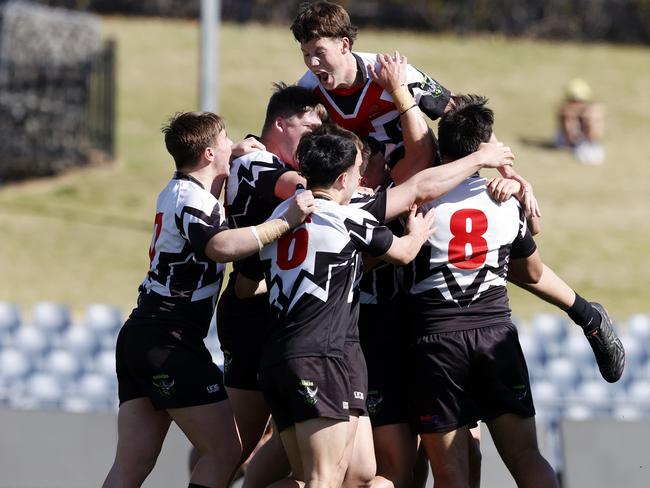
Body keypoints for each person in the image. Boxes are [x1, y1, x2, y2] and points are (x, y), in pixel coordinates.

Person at [102, 111, 315, 488]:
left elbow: (212, 174)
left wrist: (233, 151)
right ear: (206, 153)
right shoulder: (192, 198)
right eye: (224, 139)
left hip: (140, 333)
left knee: (132, 465)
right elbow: (218, 246)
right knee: (225, 451)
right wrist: (285, 222)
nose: (231, 144)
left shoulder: (177, 189)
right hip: (171, 338)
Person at [252, 128, 436, 488]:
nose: (360, 180)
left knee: (356, 473)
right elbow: (402, 254)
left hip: (279, 356)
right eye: (356, 173)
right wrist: (418, 231)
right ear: (342, 178)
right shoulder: (347, 215)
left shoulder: (281, 213)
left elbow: (246, 281)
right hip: (322, 356)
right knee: (325, 478)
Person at [405, 94, 559, 488]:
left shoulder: (419, 200)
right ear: (486, 149)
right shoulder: (504, 201)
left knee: (451, 473)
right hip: (495, 335)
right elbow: (534, 270)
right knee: (526, 457)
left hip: (438, 341)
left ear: (444, 148)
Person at [216, 83, 325, 486]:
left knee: (285, 441)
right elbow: (294, 188)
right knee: (231, 449)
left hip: (268, 310)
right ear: (280, 124)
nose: (315, 140)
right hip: (252, 309)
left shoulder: (252, 156)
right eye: (310, 130)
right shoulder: (256, 162)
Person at [555, 78, 605, 165]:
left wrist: (588, 121)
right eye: (573, 101)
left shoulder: (590, 113)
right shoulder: (566, 113)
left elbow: (595, 135)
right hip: (569, 141)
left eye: (579, 101)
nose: (576, 104)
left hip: (584, 142)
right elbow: (570, 136)